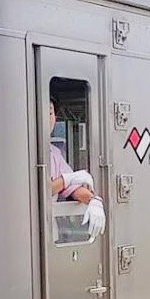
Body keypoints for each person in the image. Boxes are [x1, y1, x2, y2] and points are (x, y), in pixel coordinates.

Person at [48, 100, 106, 239]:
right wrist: (67, 179)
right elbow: (36, 193)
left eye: (50, 112)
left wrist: (93, 200)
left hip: (50, 234)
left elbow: (73, 188)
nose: (47, 118)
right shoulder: (19, 152)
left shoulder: (54, 153)